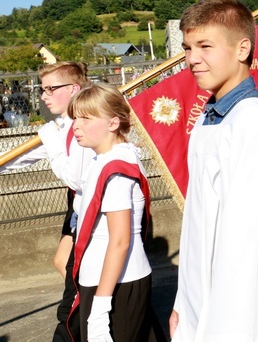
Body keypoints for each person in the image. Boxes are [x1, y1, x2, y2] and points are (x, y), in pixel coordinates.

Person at [170, 0, 258, 340]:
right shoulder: (210, 117)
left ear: (242, 49)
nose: (193, 59)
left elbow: (248, 245)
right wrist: (183, 302)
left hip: (240, 315)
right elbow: (200, 228)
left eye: (205, 46)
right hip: (203, 302)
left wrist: (220, 327)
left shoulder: (252, 123)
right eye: (188, 48)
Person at [1, 61, 92, 342]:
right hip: (75, 206)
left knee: (75, 287)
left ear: (74, 89)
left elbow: (75, 177)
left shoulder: (85, 123)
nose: (44, 95)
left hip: (92, 207)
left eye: (51, 89)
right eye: (43, 89)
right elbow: (21, 157)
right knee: (63, 262)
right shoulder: (60, 127)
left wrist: (50, 139)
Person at [64, 83, 163, 342]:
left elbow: (119, 241)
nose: (76, 125)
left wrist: (100, 307)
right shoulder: (106, 159)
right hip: (107, 280)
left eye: (86, 118)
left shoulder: (116, 168)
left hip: (114, 284)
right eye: (75, 117)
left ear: (113, 123)